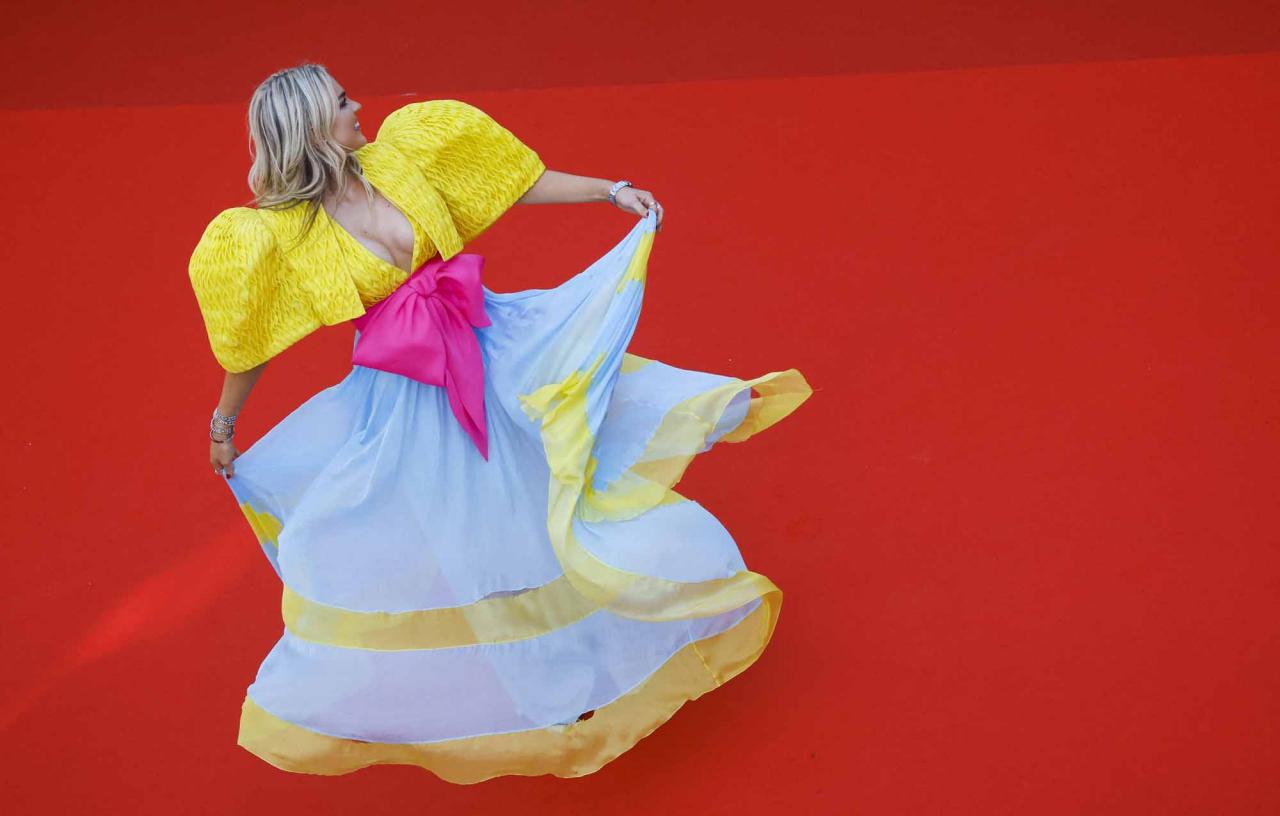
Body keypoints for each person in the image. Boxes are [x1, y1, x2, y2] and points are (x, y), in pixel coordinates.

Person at [188, 62, 813, 783]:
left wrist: (609, 192)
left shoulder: (402, 153)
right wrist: (223, 426)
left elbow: (514, 182)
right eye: (340, 102)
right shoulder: (279, 234)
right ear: (307, 127)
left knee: (561, 476)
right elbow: (251, 345)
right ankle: (528, 689)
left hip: (494, 346)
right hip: (410, 396)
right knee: (469, 537)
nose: (359, 105)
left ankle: (634, 612)